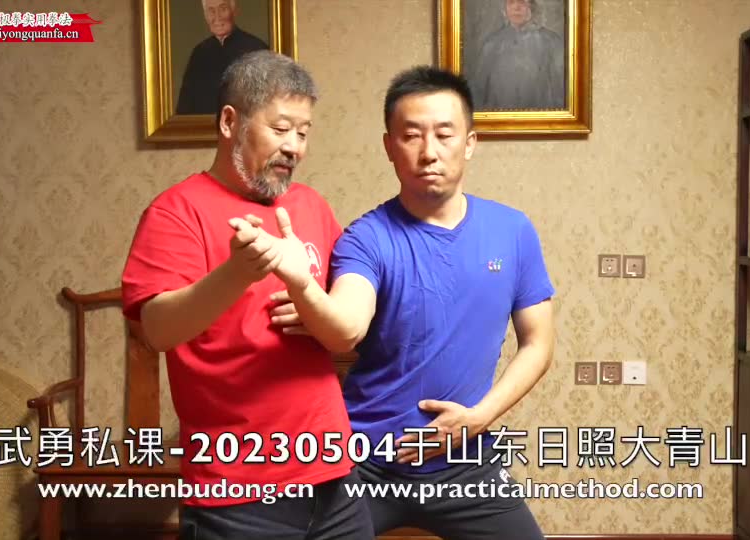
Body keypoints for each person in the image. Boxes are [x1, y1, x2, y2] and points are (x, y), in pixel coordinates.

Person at [233, 66, 555, 539]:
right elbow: (349, 322)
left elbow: (538, 343)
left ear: (470, 143)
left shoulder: (513, 231)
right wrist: (310, 296)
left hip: (467, 461)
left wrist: (478, 419)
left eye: (445, 134)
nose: (429, 152)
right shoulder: (365, 238)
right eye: (411, 136)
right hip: (365, 462)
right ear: (389, 146)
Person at [121, 50, 374, 540]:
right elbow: (156, 330)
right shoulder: (175, 212)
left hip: (333, 478)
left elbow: (345, 319)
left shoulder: (311, 206)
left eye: (304, 132)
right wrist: (238, 272)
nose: (294, 147)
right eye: (281, 129)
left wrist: (314, 306)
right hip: (235, 492)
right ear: (229, 122)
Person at [176, 0, 268, 115]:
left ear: (234, 11)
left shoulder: (256, 48)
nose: (217, 17)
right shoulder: (199, 53)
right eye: (211, 11)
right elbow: (185, 106)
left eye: (223, 9)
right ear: (205, 15)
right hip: (202, 125)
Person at [471, 0, 565, 110]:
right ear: (505, 8)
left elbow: (560, 92)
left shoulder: (551, 42)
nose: (516, 8)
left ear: (532, 6)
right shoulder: (492, 44)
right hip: (500, 117)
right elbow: (479, 91)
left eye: (522, 2)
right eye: (511, 2)